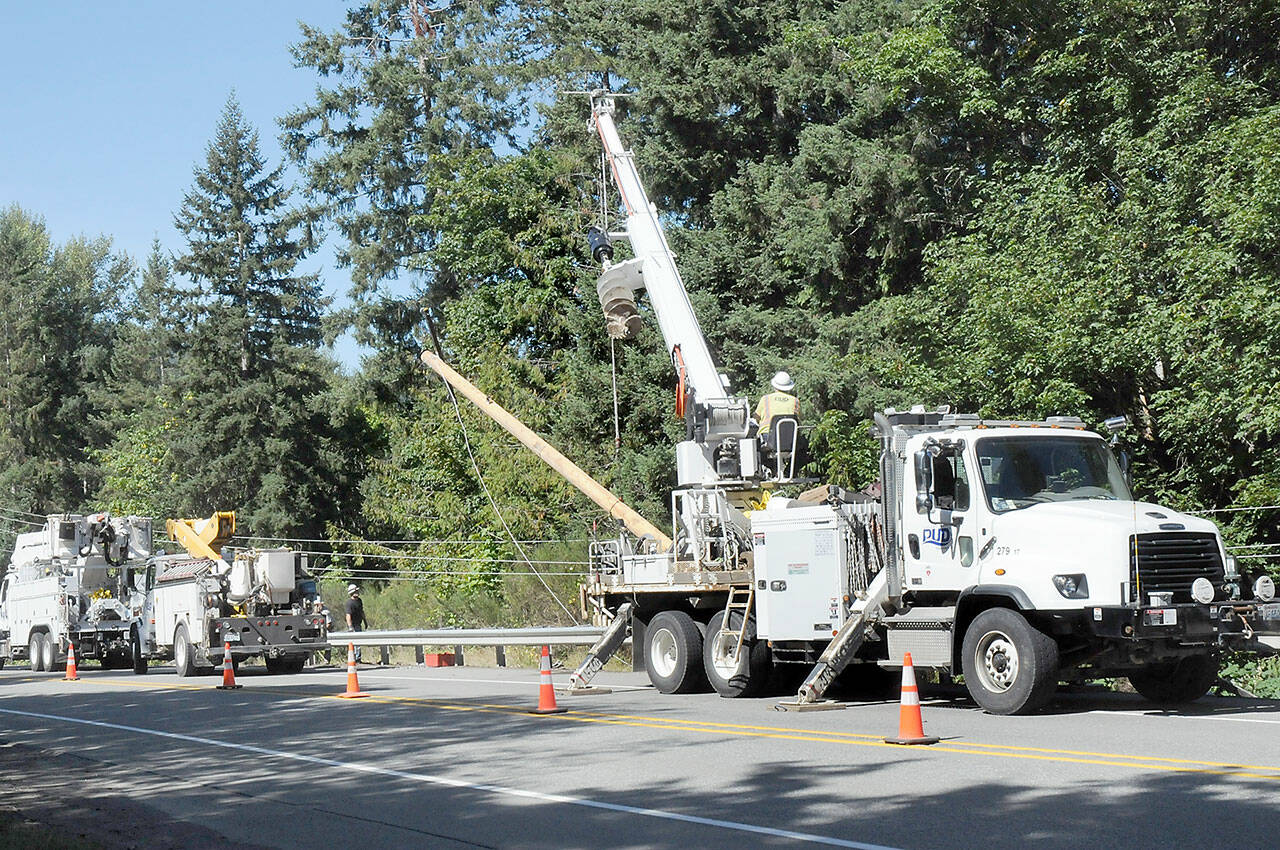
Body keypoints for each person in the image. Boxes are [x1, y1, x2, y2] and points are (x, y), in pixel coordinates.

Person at [756, 371, 799, 437]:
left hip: (768, 437)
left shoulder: (765, 399)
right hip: (789, 437)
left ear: (774, 386)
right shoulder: (795, 401)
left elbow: (756, 417)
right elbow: (799, 418)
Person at [344, 584, 370, 664]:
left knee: (358, 642)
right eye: (356, 591)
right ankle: (355, 658)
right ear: (352, 592)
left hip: (359, 624)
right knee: (355, 642)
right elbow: (348, 615)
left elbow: (362, 612)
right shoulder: (349, 603)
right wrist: (350, 627)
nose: (357, 592)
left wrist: (365, 622)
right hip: (353, 625)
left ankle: (358, 658)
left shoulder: (359, 601)